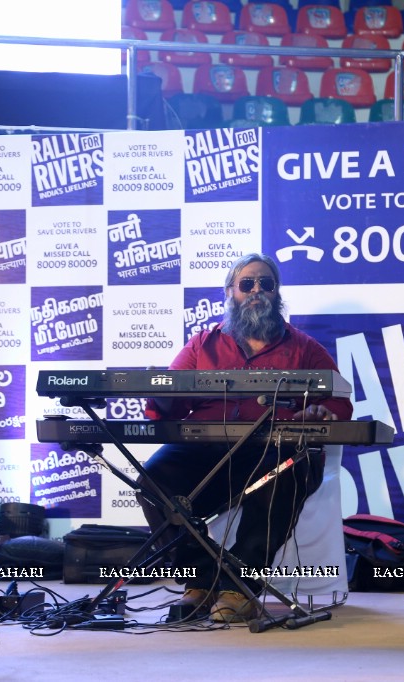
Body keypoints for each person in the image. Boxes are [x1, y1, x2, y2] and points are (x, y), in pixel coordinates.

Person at [138, 253, 353, 623]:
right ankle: (200, 580)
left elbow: (339, 404)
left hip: (279, 449)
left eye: (266, 284)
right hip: (209, 452)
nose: (257, 291)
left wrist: (322, 412)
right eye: (247, 284)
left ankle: (240, 587)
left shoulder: (304, 348)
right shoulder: (201, 346)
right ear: (229, 293)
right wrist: (160, 392)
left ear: (277, 293)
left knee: (282, 475)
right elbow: (165, 410)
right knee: (152, 481)